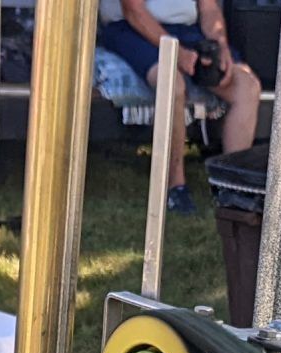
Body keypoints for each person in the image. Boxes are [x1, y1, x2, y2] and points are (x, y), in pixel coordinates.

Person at [97, 0, 262, 214]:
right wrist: (179, 53)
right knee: (172, 84)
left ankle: (233, 188)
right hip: (131, 29)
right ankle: (175, 187)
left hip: (186, 31)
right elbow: (133, 11)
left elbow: (209, 9)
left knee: (246, 86)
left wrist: (218, 45)